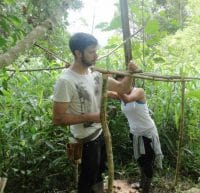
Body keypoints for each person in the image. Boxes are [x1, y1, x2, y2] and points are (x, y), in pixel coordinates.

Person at [52, 32, 138, 193]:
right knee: (87, 179)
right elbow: (57, 118)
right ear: (78, 53)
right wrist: (91, 117)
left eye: (95, 51)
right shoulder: (66, 81)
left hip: (99, 134)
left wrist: (130, 72)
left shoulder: (95, 75)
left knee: (98, 173)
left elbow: (122, 88)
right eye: (91, 52)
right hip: (84, 140)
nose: (96, 55)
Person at [109, 75, 163, 193]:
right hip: (135, 133)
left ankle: (146, 189)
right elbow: (106, 92)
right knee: (140, 160)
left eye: (122, 84)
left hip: (147, 133)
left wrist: (116, 87)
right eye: (118, 84)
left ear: (130, 81)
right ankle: (142, 183)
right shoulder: (121, 94)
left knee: (147, 162)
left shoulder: (138, 91)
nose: (120, 86)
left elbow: (127, 99)